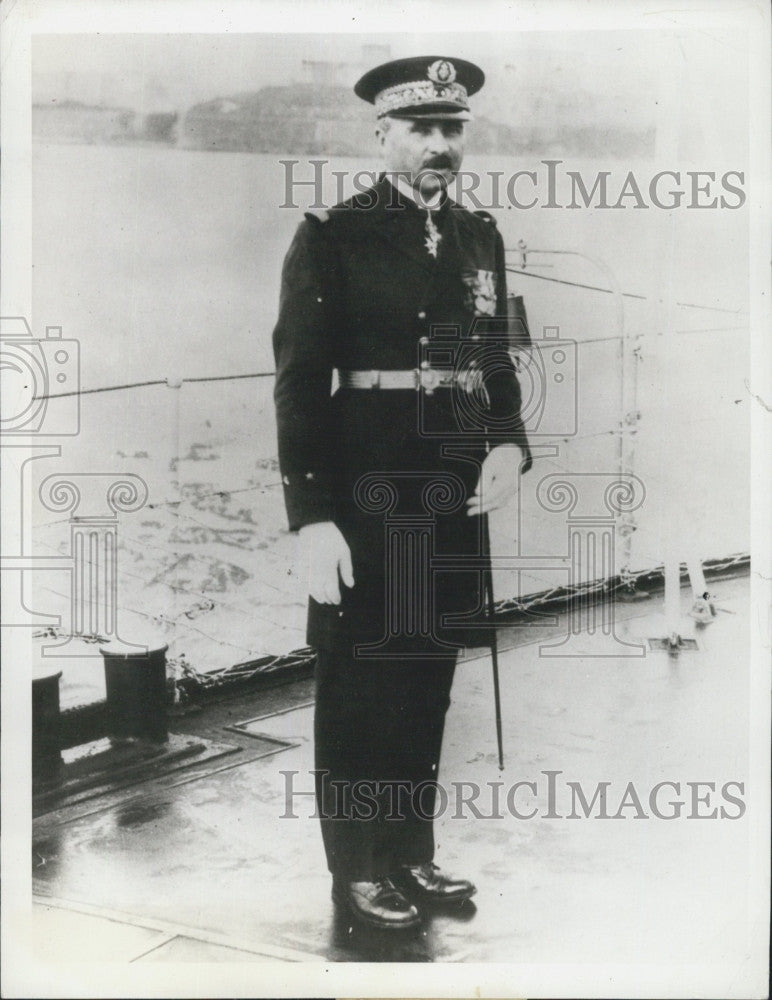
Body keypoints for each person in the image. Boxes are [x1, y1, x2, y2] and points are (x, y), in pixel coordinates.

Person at [273, 55, 532, 931]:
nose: (437, 145)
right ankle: (359, 871)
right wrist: (311, 518)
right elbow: (300, 384)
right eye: (419, 128)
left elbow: (496, 358)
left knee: (426, 676)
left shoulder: (480, 236)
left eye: (450, 129)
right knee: (360, 684)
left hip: (453, 489)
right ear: (380, 134)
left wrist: (509, 443)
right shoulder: (333, 234)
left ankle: (409, 857)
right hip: (364, 487)